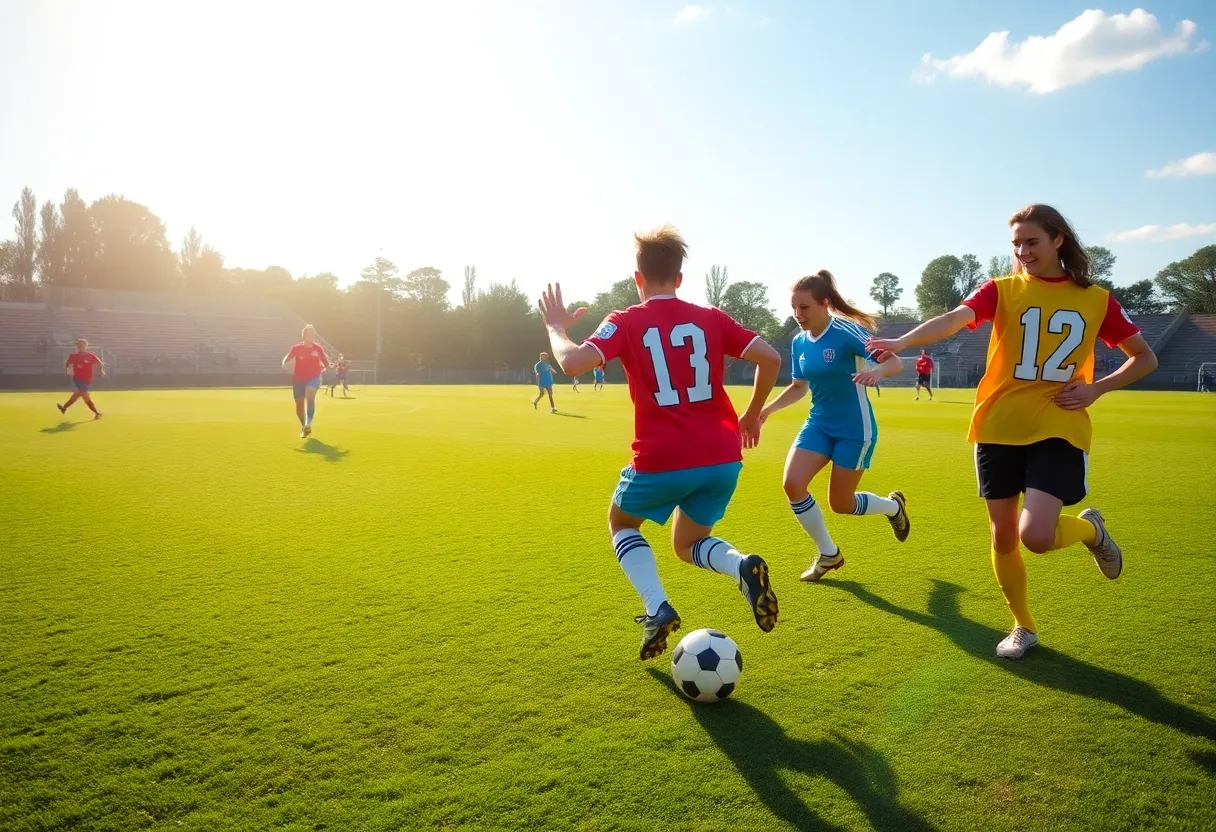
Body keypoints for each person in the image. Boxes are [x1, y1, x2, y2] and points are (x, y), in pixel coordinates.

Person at [867, 204, 1158, 659]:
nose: (1023, 252)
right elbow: (953, 319)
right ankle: (1023, 626)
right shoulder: (1001, 290)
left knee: (1036, 537)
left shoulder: (1097, 299)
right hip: (998, 424)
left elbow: (1145, 357)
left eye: (1032, 242)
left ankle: (1091, 533)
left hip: (1058, 422)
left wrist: (1097, 389)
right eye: (1016, 244)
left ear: (1058, 239)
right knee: (1003, 536)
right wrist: (901, 342)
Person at [538, 225, 784, 660]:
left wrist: (556, 326)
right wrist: (750, 413)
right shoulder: (712, 317)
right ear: (679, 278)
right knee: (686, 544)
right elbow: (771, 357)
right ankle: (741, 566)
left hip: (663, 456)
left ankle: (657, 608)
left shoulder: (625, 320)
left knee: (622, 524)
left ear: (638, 278)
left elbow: (572, 362)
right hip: (723, 457)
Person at [760, 272, 910, 583]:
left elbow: (895, 363)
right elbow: (799, 386)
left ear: (825, 303)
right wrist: (767, 410)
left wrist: (877, 373)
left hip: (854, 429)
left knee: (841, 504)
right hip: (819, 424)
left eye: (805, 308)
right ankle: (829, 554)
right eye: (794, 308)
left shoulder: (846, 332)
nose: (798, 315)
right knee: (792, 484)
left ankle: (892, 507)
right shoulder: (799, 341)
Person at [282, 325, 330, 438]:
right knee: (299, 404)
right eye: (309, 334)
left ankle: (309, 424)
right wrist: (284, 363)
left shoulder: (318, 348)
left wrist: (327, 367)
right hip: (298, 378)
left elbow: (325, 362)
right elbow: (287, 357)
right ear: (304, 336)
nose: (311, 337)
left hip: (314, 377)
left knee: (310, 396)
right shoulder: (297, 348)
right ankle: (304, 427)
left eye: (313, 334)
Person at [57, 339, 105, 419]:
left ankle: (64, 407)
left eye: (82, 346)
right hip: (78, 379)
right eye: (79, 346)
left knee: (77, 395)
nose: (81, 347)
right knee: (85, 397)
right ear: (77, 347)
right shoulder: (73, 356)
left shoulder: (90, 356)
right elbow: (67, 364)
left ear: (86, 346)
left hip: (87, 380)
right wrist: (67, 369)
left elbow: (100, 363)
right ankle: (97, 413)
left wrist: (102, 371)